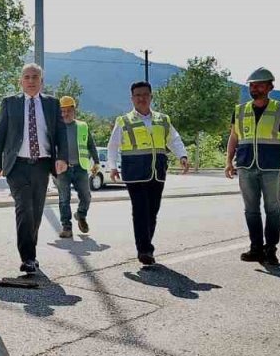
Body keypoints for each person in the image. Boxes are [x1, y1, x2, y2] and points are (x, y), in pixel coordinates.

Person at [0, 63, 68, 273]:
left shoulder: (52, 104)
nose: (31, 81)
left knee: (36, 211)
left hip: (42, 165)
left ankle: (30, 252)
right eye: (27, 77)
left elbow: (61, 132)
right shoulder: (10, 103)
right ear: (21, 81)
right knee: (24, 208)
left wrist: (62, 157)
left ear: (41, 81)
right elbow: (1, 133)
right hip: (17, 165)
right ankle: (28, 258)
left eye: (35, 77)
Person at [107, 81, 189, 267]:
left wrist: (182, 155)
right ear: (132, 98)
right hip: (134, 172)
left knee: (152, 211)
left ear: (151, 97)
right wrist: (112, 167)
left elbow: (174, 139)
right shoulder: (124, 121)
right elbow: (113, 145)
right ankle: (144, 250)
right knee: (140, 209)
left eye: (145, 94)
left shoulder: (163, 119)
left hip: (156, 172)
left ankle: (145, 246)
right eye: (137, 95)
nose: (141, 98)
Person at [225, 68, 280, 267]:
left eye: (259, 85)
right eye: (251, 85)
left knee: (273, 209)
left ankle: (270, 249)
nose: (254, 88)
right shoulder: (239, 110)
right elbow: (234, 137)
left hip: (271, 167)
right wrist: (228, 162)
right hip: (246, 165)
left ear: (270, 87)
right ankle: (256, 248)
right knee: (251, 210)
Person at [56, 95, 98, 239]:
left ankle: (81, 214)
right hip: (62, 169)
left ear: (74, 110)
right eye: (62, 111)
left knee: (86, 196)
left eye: (68, 110)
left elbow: (90, 145)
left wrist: (96, 162)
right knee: (64, 199)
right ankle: (66, 227)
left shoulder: (82, 126)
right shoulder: (55, 128)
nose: (65, 114)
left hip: (80, 167)